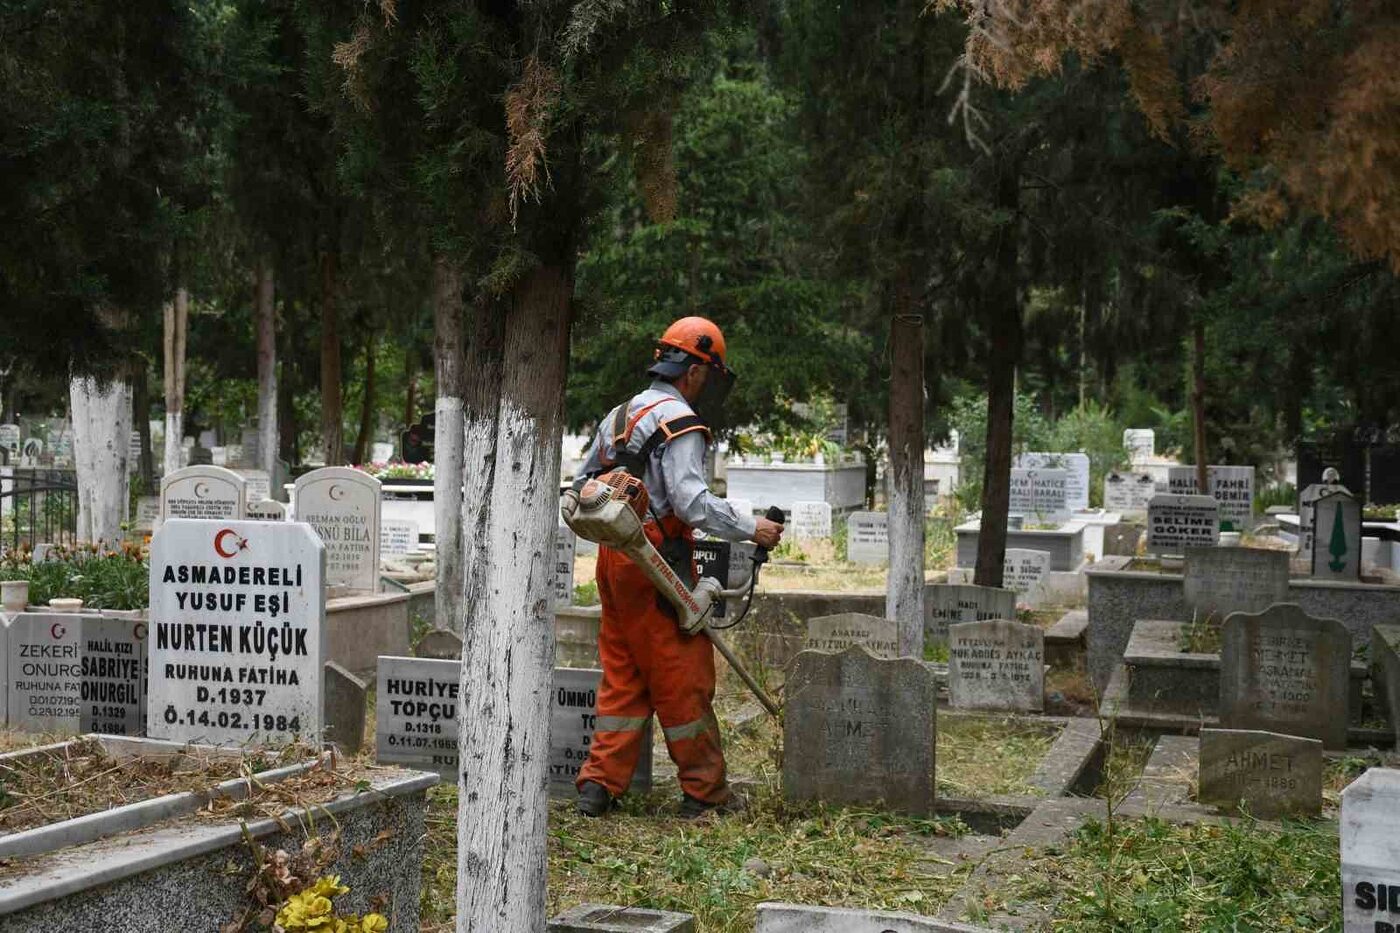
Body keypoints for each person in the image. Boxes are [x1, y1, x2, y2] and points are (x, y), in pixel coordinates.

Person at [573, 316, 784, 818]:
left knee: (623, 674)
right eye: (708, 374)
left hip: (612, 560)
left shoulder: (620, 415)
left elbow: (583, 483)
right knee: (683, 675)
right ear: (695, 371)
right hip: (655, 563)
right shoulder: (682, 423)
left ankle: (598, 787)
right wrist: (751, 526)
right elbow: (691, 503)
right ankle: (704, 794)